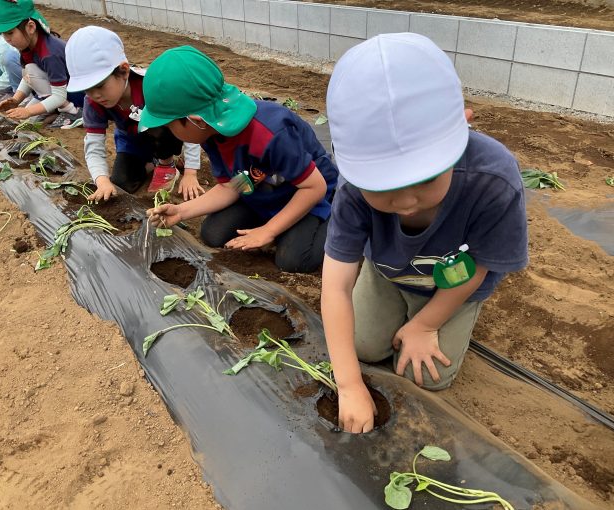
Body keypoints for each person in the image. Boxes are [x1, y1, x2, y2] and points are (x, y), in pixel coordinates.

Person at [321, 33, 528, 433]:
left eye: (426, 178)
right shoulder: (352, 189)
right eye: (382, 185)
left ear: (463, 127)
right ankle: (396, 308)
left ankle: (433, 317)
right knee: (362, 348)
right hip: (388, 273)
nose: (405, 202)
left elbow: (479, 266)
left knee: (429, 376)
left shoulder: (493, 180)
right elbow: (335, 286)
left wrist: (425, 325)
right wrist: (348, 384)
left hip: (454, 282)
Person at [141, 46, 338, 273]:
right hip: (262, 186)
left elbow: (315, 187)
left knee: (293, 260)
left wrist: (269, 231)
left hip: (309, 192)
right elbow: (231, 187)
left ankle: (336, 216)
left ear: (196, 120)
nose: (169, 132)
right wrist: (181, 211)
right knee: (213, 234)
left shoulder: (270, 133)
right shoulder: (210, 133)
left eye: (169, 125)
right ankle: (278, 222)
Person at [65, 26, 203, 200]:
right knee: (121, 182)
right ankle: (152, 161)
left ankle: (166, 164)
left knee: (157, 127)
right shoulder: (93, 102)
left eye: (99, 86)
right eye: (87, 89)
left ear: (123, 71)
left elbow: (188, 122)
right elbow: (94, 145)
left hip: (165, 134)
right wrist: (102, 180)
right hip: (131, 139)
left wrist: (190, 173)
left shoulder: (152, 86)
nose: (95, 95)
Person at [0, 0, 83, 128]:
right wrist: (16, 100)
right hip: (57, 91)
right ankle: (57, 110)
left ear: (31, 27)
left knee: (29, 114)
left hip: (78, 95)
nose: (7, 39)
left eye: (10, 33)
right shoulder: (28, 46)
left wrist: (28, 111)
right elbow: (28, 78)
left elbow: (59, 96)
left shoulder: (49, 53)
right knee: (26, 122)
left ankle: (73, 112)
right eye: (3, 34)